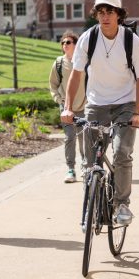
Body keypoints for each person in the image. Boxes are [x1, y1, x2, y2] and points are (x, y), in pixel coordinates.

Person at [61, 0, 139, 226]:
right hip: (96, 104)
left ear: (119, 15)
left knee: (121, 153)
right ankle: (92, 204)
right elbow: (76, 74)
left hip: (125, 104)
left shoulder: (132, 41)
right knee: (91, 161)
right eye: (101, 12)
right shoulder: (88, 39)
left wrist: (138, 112)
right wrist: (68, 108)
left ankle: (121, 204)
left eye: (110, 12)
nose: (105, 16)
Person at [50, 30, 86, 183]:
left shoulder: (84, 61)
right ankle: (71, 169)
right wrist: (59, 100)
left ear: (76, 44)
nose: (65, 45)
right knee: (70, 137)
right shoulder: (58, 63)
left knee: (84, 137)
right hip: (66, 108)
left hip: (84, 106)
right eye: (63, 42)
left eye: (68, 42)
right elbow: (53, 84)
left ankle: (86, 166)